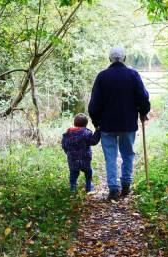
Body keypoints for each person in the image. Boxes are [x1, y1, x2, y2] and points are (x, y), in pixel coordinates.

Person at [88, 46, 150, 201]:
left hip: (107, 125)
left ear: (110, 59)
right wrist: (143, 112)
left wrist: (96, 123)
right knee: (128, 153)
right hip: (128, 123)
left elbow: (94, 104)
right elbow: (143, 97)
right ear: (125, 58)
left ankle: (114, 189)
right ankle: (126, 184)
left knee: (111, 157)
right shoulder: (133, 74)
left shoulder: (102, 77)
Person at [61, 113, 101, 193]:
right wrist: (98, 132)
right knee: (88, 172)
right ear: (85, 124)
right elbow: (93, 142)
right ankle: (88, 186)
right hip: (85, 158)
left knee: (73, 173)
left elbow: (64, 145)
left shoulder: (67, 134)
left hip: (72, 159)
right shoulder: (86, 133)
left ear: (74, 123)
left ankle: (73, 188)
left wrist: (69, 153)